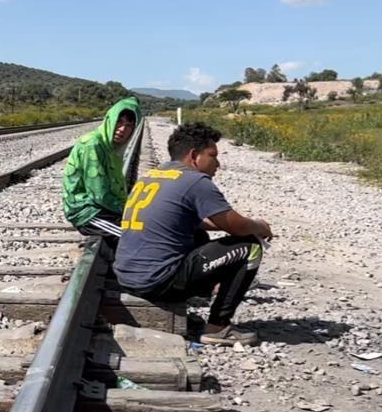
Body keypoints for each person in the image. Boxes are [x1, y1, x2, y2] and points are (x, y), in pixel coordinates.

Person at [113, 122, 273, 346]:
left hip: (127, 277)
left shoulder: (152, 175)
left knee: (196, 234)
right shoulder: (196, 181)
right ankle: (218, 327)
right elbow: (239, 227)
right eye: (213, 155)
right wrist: (260, 226)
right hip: (157, 282)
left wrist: (223, 226)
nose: (218, 163)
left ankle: (206, 292)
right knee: (251, 247)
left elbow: (185, 220)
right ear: (194, 155)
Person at [62, 97, 141, 243]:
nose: (123, 129)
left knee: (143, 228)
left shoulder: (110, 147)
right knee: (135, 237)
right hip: (87, 212)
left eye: (129, 125)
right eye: (119, 121)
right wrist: (128, 210)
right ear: (110, 119)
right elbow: (99, 194)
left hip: (101, 208)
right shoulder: (93, 144)